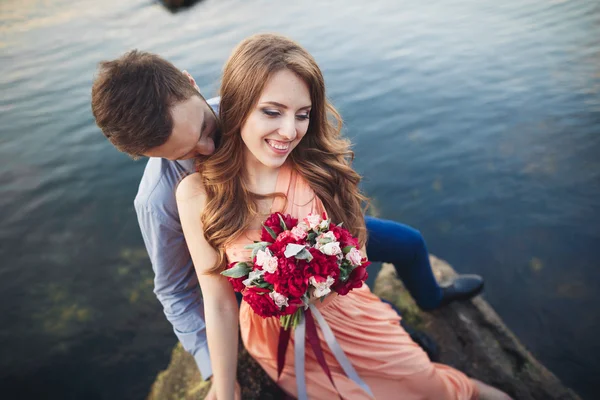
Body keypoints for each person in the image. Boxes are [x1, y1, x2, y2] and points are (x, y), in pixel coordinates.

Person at [91, 46, 485, 398]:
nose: (208, 150)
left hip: (312, 218)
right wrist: (217, 373)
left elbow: (302, 126)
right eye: (185, 154)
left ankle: (426, 303)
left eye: (206, 132)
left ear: (191, 84)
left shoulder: (253, 102)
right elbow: (177, 289)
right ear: (146, 153)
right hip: (245, 251)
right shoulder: (161, 198)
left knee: (408, 243)